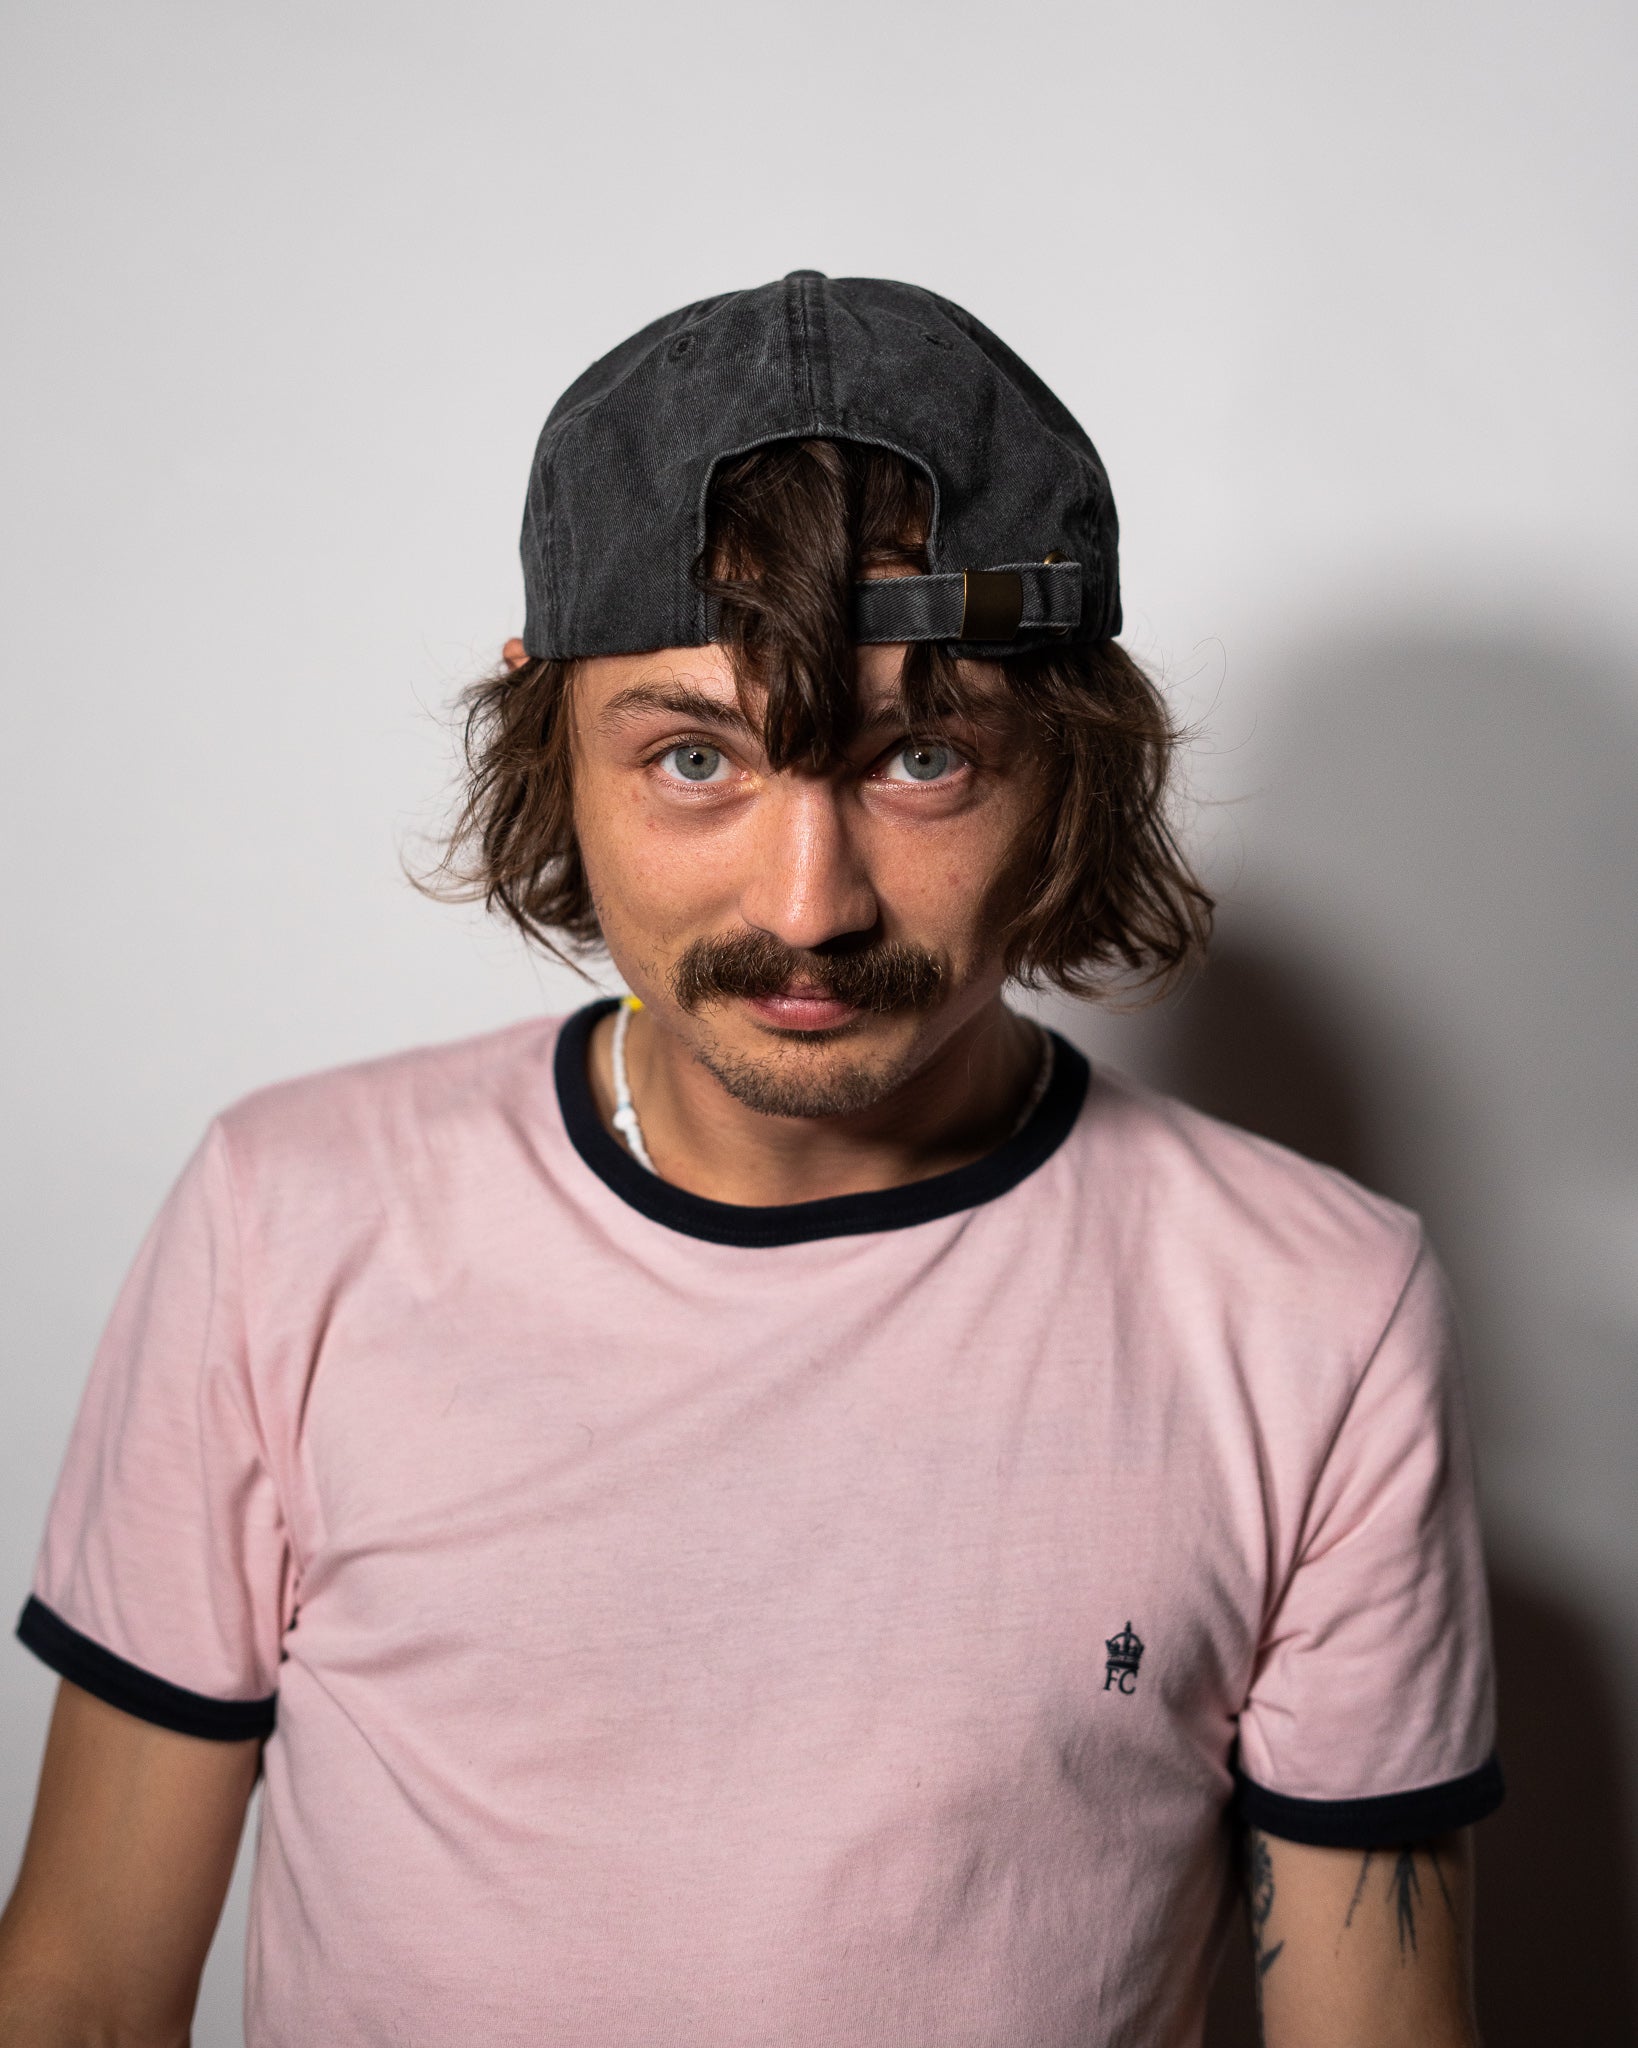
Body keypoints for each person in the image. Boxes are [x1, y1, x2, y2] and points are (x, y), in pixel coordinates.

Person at [0, 272, 1501, 2047]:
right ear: (550, 745)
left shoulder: (1313, 1311)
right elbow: (82, 1993)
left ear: (1072, 771)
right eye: (694, 756)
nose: (809, 906)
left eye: (923, 756)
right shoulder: (290, 1218)